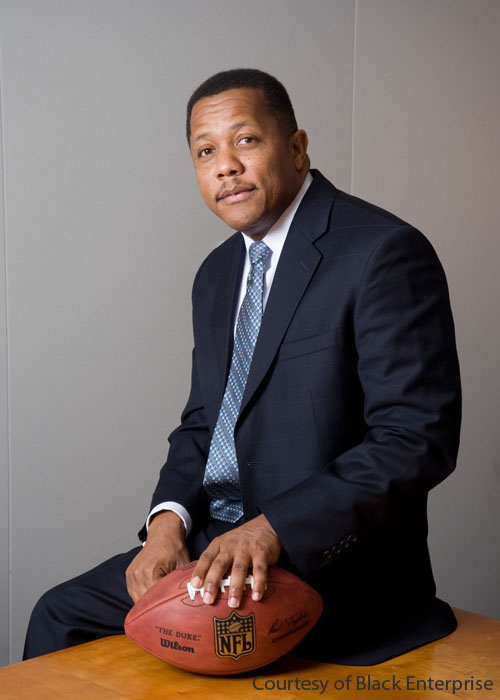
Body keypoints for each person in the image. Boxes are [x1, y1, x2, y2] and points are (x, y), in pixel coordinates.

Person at [24, 68, 461, 664]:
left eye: (246, 140)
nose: (225, 166)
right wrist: (167, 523)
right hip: (215, 544)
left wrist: (272, 528)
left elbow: (416, 439)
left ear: (297, 148)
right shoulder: (216, 274)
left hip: (327, 564)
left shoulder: (381, 252)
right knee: (60, 614)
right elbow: (206, 421)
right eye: (205, 151)